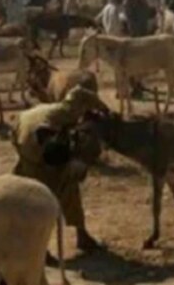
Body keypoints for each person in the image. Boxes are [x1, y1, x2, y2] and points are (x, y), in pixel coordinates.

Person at [12, 87, 107, 252]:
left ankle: (82, 236)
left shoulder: (64, 112)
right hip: (25, 144)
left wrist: (103, 107)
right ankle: (40, 249)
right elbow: (16, 142)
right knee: (37, 202)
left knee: (70, 187)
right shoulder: (30, 152)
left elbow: (79, 92)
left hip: (42, 120)